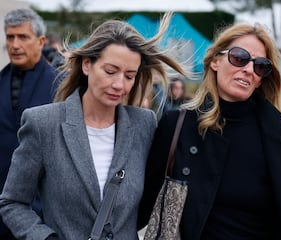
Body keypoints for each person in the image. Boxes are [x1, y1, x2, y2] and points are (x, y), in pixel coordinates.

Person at [0, 12, 187, 240]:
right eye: (110, 71)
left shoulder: (144, 124)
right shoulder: (43, 123)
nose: (119, 84)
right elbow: (13, 202)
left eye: (129, 76)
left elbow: (147, 203)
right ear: (87, 64)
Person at [138, 22, 281, 239]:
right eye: (239, 57)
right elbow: (138, 207)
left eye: (260, 65)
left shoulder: (280, 134)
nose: (249, 69)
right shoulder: (177, 125)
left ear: (261, 79)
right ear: (215, 61)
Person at [0, 8, 58, 240]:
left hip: (44, 215)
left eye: (23, 37)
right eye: (10, 37)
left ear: (41, 41)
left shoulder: (61, 86)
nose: (14, 45)